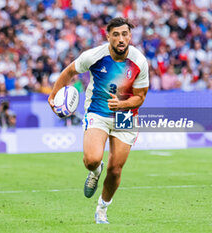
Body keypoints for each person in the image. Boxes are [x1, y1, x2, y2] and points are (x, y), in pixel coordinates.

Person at [48, 17, 149, 224]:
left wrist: (122, 105)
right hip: (98, 112)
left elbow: (140, 97)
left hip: (125, 115)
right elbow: (69, 72)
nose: (121, 39)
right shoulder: (94, 56)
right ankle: (95, 171)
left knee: (115, 169)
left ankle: (102, 209)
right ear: (108, 36)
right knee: (92, 160)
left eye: (124, 34)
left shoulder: (139, 61)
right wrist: (53, 95)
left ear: (130, 36)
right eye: (116, 34)